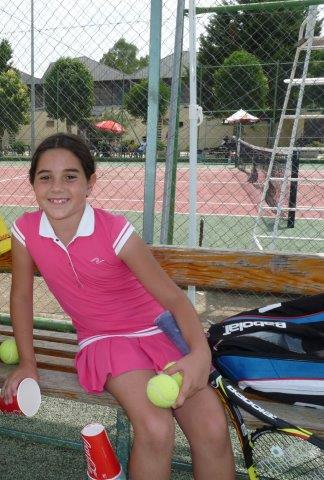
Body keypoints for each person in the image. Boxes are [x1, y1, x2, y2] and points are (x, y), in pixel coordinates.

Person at [1, 133, 235, 480]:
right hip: (105, 341)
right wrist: (28, 364)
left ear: (90, 182)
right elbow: (21, 297)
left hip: (161, 332)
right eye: (45, 177)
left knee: (214, 429)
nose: (57, 187)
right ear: (33, 184)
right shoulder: (25, 231)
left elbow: (172, 298)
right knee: (156, 430)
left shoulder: (115, 231)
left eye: (70, 176)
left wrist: (200, 354)